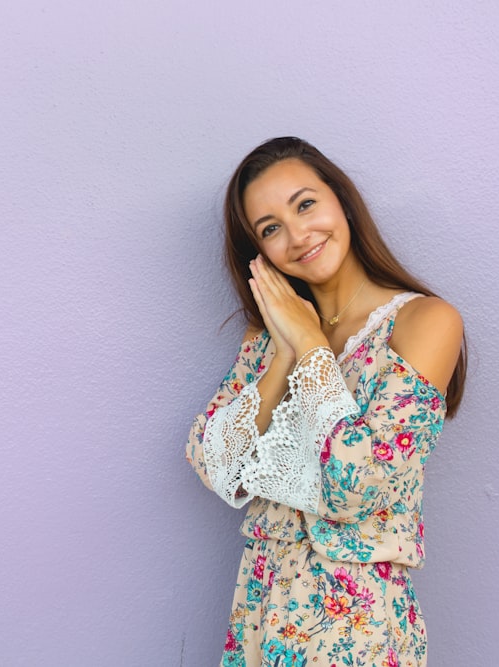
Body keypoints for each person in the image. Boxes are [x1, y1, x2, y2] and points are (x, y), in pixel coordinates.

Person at [185, 137, 466, 667]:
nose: (298, 235)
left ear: (341, 199)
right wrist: (285, 354)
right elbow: (215, 465)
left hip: (354, 620)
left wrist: (312, 345)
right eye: (270, 228)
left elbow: (358, 488)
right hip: (260, 606)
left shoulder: (425, 322)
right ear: (260, 253)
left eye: (305, 204)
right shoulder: (267, 336)